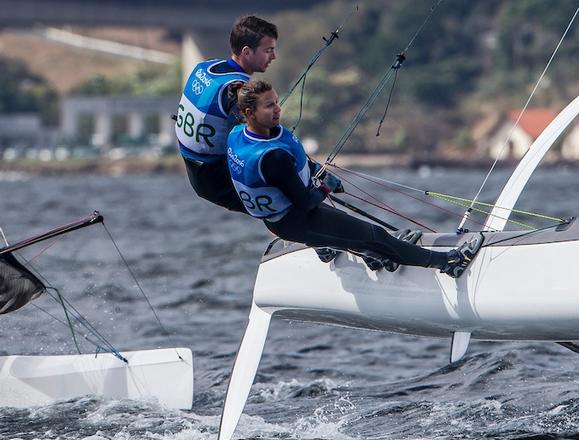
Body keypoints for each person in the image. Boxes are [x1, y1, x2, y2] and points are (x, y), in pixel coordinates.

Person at [225, 79, 483, 278]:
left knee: (355, 233)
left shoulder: (238, 134)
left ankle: (374, 255)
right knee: (375, 235)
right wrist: (326, 185)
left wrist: (314, 172)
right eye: (269, 105)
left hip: (286, 219)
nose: (278, 109)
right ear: (249, 113)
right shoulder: (272, 157)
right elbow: (305, 202)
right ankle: (448, 263)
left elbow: (291, 174)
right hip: (297, 219)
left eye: (277, 102)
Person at [176, 15, 279, 212]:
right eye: (268, 51)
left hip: (193, 167)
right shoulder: (239, 90)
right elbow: (248, 143)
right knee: (289, 197)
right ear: (247, 52)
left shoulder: (205, 67)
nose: (273, 57)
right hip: (215, 178)